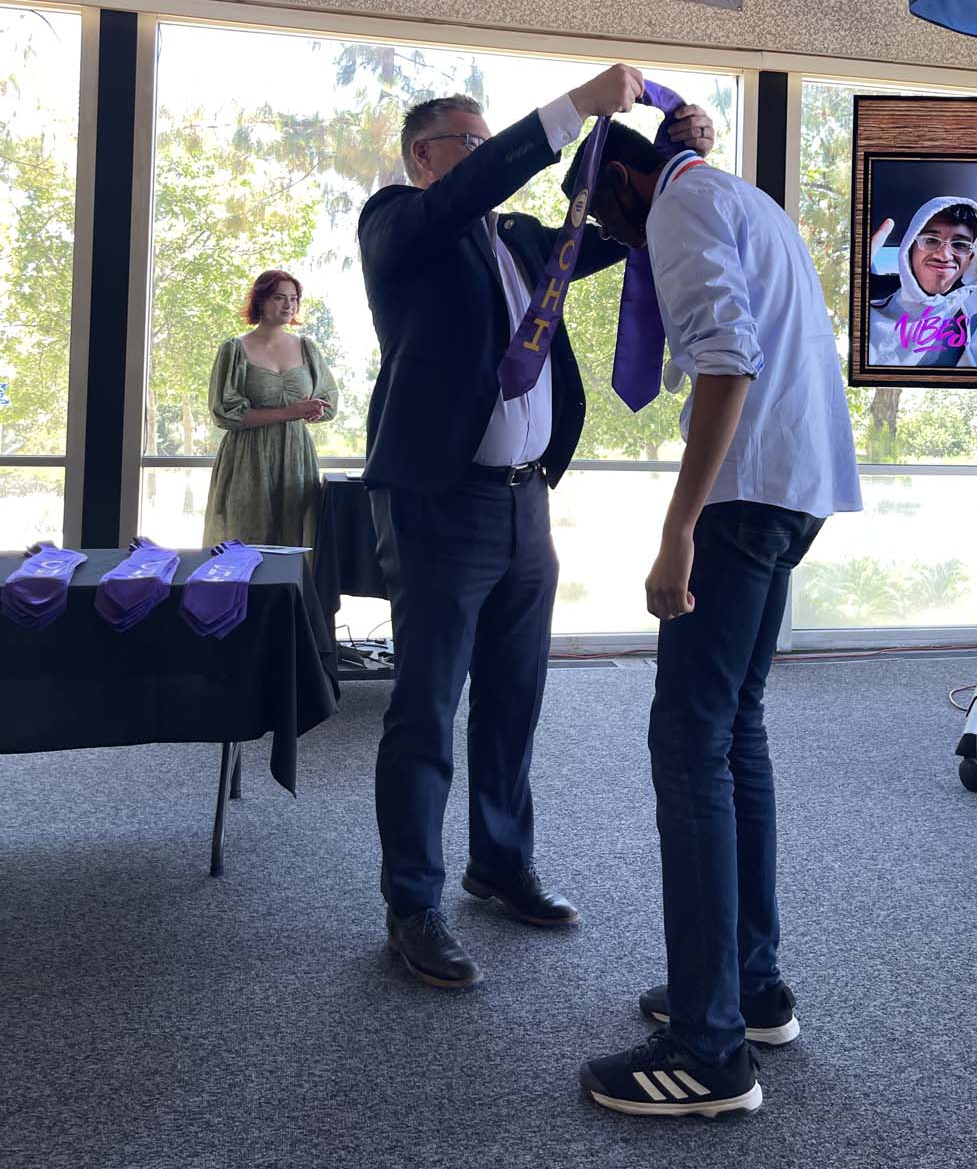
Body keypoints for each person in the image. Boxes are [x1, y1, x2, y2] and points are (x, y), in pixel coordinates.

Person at [357, 66, 716, 992]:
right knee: (427, 712)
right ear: (424, 158)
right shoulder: (399, 224)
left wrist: (669, 159)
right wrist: (566, 112)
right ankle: (412, 904)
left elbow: (611, 228)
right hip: (441, 505)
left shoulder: (519, 238)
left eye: (490, 141)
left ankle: (500, 862)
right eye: (472, 144)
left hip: (525, 504)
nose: (489, 158)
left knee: (513, 702)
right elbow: (475, 190)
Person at [569, 119, 861, 1120]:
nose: (611, 232)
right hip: (797, 487)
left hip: (741, 499)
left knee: (688, 743)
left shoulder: (683, 204)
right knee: (735, 730)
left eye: (604, 210)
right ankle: (751, 988)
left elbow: (727, 360)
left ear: (622, 178)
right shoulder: (741, 198)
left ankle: (706, 1050)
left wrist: (677, 529)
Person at [203, 270, 338, 548]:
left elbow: (329, 401)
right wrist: (289, 413)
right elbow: (225, 413)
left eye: (293, 298)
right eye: (279, 298)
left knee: (296, 542)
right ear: (260, 301)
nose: (289, 305)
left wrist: (314, 410)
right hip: (247, 458)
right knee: (245, 541)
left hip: (296, 457)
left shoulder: (307, 348)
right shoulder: (235, 349)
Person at [868, 197, 977, 368]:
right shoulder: (867, 310)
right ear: (909, 248)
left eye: (960, 244)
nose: (944, 255)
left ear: (970, 258)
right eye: (930, 240)